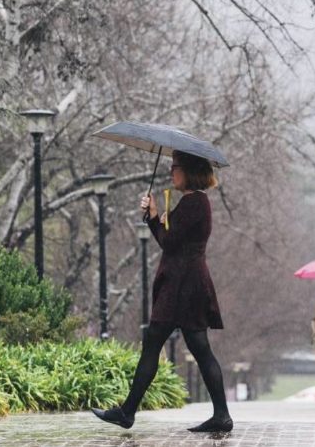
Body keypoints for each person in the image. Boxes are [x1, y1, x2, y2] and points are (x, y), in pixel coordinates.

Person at [92, 151, 232, 433]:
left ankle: (127, 412)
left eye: (175, 167)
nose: (171, 172)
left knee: (157, 342)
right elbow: (170, 241)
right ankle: (220, 415)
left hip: (182, 286)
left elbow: (168, 242)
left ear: (188, 170)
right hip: (186, 284)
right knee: (196, 348)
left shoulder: (194, 203)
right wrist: (155, 219)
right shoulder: (194, 203)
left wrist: (155, 217)